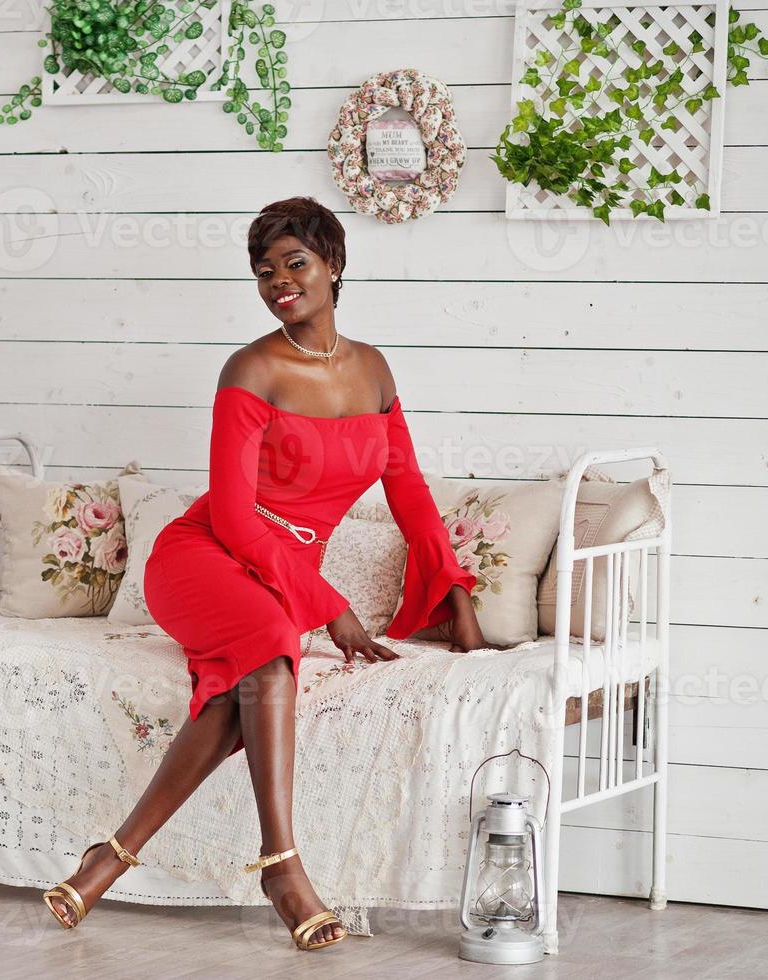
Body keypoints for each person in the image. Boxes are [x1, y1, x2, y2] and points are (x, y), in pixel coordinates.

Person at [41, 196, 486, 950]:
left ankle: (108, 857)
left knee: (258, 671)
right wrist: (328, 606)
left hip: (275, 578)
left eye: (295, 262)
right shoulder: (249, 368)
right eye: (264, 270)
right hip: (204, 558)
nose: (279, 281)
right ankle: (284, 869)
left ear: (333, 265)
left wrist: (456, 600)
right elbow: (237, 518)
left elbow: (406, 488)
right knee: (275, 641)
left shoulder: (373, 369)